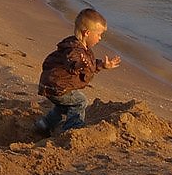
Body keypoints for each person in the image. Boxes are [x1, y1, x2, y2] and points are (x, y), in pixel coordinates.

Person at [34, 7, 122, 135]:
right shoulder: (75, 50)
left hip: (51, 85)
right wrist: (78, 64)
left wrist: (102, 65)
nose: (100, 38)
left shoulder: (75, 45)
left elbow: (89, 65)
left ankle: (45, 124)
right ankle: (73, 129)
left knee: (64, 105)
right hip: (57, 87)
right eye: (98, 35)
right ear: (87, 33)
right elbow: (73, 61)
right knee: (80, 101)